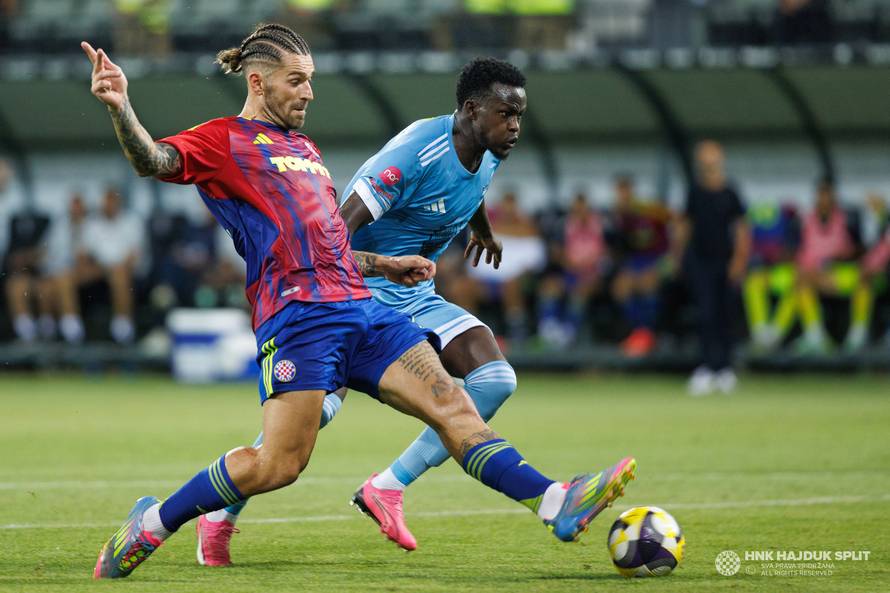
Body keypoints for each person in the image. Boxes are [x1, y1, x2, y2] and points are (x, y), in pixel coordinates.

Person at [82, 24, 635, 579]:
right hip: (299, 317)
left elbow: (328, 243)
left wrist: (388, 265)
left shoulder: (305, 150)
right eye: (297, 81)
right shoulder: (223, 140)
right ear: (258, 81)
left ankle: (556, 503)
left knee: (455, 407)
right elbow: (152, 160)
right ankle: (152, 524)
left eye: (311, 81)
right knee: (278, 465)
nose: (309, 93)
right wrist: (120, 107)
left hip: (362, 308)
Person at [195, 57, 562, 560]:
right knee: (312, 416)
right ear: (473, 110)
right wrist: (370, 271)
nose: (516, 126)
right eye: (507, 115)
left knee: (495, 379)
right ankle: (221, 511)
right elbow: (336, 230)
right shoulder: (413, 153)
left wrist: (481, 228)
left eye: (520, 115)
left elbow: (470, 180)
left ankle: (386, 486)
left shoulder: (490, 144)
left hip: (413, 294)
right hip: (358, 291)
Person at [674, 140, 750, 396]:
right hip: (700, 262)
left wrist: (739, 260)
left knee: (725, 315)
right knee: (705, 314)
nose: (707, 163)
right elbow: (685, 226)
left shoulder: (730, 193)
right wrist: (678, 256)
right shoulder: (694, 192)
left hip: (725, 262)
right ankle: (707, 367)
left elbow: (741, 229)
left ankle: (725, 369)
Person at [793, 178, 861, 354]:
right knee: (801, 282)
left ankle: (857, 338)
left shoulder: (846, 220)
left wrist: (835, 261)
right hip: (813, 273)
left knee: (863, 282)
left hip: (838, 272)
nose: (824, 199)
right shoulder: (806, 220)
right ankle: (815, 336)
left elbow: (857, 251)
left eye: (827, 195)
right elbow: (800, 252)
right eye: (820, 195)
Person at [609, 175, 671, 357]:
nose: (622, 197)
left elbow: (670, 217)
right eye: (619, 194)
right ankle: (638, 332)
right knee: (620, 288)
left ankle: (649, 333)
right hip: (635, 262)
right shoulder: (619, 217)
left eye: (625, 192)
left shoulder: (648, 209)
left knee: (647, 283)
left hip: (659, 259)